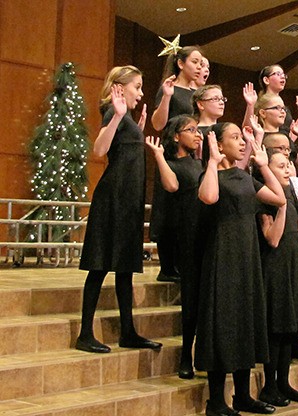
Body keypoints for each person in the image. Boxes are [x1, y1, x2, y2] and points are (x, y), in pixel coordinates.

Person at [195, 122, 285, 416]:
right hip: (223, 256)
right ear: (219, 145)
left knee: (245, 322)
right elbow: (208, 197)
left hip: (247, 258)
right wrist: (211, 161)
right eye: (235, 137)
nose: (242, 142)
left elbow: (280, 199)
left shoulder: (246, 178)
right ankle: (216, 401)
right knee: (222, 325)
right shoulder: (212, 175)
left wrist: (263, 166)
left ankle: (243, 396)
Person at [76, 65, 162, 353]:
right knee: (100, 265)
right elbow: (100, 150)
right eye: (136, 86)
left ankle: (128, 331)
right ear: (120, 86)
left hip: (128, 201)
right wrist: (119, 116)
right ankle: (85, 333)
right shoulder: (112, 111)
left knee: (124, 268)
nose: (140, 92)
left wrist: (135, 127)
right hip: (113, 199)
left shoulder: (127, 117)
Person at [144, 115, 203, 379]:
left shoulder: (201, 163)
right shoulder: (171, 164)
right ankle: (185, 358)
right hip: (187, 241)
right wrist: (157, 155)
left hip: (206, 237)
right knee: (190, 303)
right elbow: (171, 185)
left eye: (198, 130)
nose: (198, 134)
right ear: (176, 136)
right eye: (191, 130)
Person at [257, 152, 298, 407]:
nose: (288, 168)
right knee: (276, 329)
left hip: (293, 266)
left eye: (288, 164)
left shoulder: (291, 195)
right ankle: (269, 386)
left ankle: (284, 382)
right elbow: (272, 238)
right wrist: (281, 207)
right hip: (274, 268)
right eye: (280, 166)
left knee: (290, 329)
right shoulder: (268, 199)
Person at [150, 45, 204, 283]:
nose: (200, 67)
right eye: (195, 62)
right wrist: (167, 97)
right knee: (169, 208)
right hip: (171, 154)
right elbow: (158, 124)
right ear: (181, 64)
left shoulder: (198, 93)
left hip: (191, 156)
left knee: (188, 210)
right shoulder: (169, 88)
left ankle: (184, 262)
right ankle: (168, 266)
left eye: (202, 63)